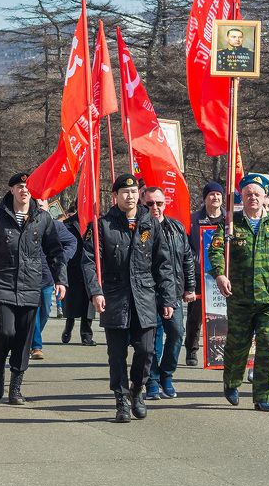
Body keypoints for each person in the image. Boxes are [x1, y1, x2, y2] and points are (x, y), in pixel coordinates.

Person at [82, 174, 176, 422]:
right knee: (116, 355)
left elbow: (163, 264)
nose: (130, 196)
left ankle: (137, 389)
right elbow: (89, 262)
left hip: (144, 296)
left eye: (134, 192)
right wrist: (96, 291)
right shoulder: (102, 225)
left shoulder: (150, 224)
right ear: (115, 196)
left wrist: (168, 298)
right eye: (125, 192)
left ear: (139, 195)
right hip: (115, 296)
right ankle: (121, 399)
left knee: (146, 350)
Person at [210, 174, 269, 412]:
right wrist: (220, 274)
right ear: (242, 197)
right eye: (248, 194)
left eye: (257, 194)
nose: (253, 197)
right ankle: (232, 381)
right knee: (237, 345)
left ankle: (264, 396)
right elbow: (216, 251)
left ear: (264, 197)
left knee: (267, 344)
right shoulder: (230, 223)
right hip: (240, 296)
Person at [0, 173, 67, 405]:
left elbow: (55, 252)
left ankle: (15, 387)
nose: (24, 190)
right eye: (20, 186)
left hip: (31, 285)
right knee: (5, 331)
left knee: (23, 337)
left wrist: (60, 280)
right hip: (3, 283)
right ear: (12, 190)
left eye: (28, 187)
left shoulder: (42, 218)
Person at [142, 187, 196, 400]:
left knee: (176, 333)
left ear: (165, 204)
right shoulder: (140, 229)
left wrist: (190, 287)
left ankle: (166, 374)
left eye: (159, 203)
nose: (155, 207)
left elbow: (187, 258)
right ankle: (152, 381)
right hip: (147, 293)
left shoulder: (176, 227)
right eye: (150, 204)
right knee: (151, 340)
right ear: (143, 204)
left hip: (172, 291)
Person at [30, 198, 77, 360]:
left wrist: (61, 259)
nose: (39, 208)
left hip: (48, 276)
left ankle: (31, 337)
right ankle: (36, 346)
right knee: (33, 311)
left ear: (48, 207)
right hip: (28, 277)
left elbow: (71, 242)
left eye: (42, 205)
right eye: (37, 205)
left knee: (45, 311)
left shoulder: (56, 226)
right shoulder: (27, 225)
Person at [185, 181, 226, 366]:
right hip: (199, 273)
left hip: (223, 274)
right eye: (211, 194)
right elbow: (187, 247)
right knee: (195, 316)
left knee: (222, 314)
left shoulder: (230, 220)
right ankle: (191, 349)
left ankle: (221, 351)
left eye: (218, 194)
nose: (215, 197)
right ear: (205, 198)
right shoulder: (193, 219)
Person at [61, 208, 96, 347]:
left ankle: (86, 335)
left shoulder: (96, 222)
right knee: (72, 302)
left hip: (91, 267)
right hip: (73, 268)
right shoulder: (68, 224)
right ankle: (68, 327)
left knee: (89, 303)